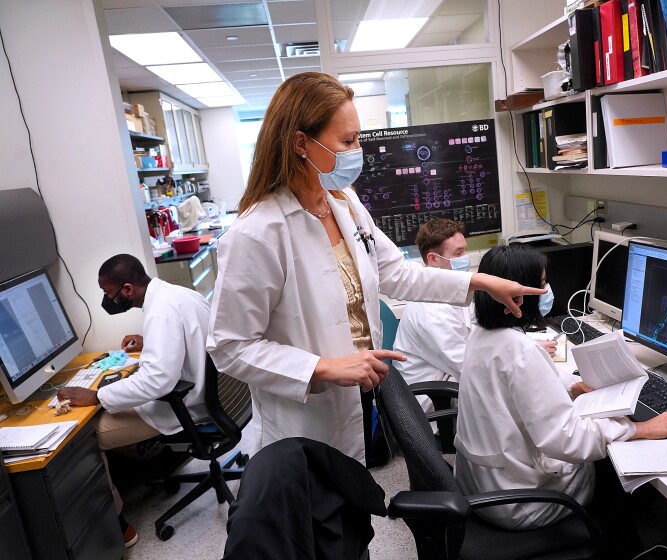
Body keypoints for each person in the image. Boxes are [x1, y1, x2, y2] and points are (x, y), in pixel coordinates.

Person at [206, 72, 543, 465]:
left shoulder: (344, 203)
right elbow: (229, 346)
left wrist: (478, 281)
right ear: (301, 143)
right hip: (304, 414)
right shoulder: (258, 233)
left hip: (362, 393)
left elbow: (398, 274)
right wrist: (323, 368)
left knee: (354, 505)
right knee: (320, 513)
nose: (357, 151)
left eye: (357, 139)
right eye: (347, 141)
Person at [453, 245, 667, 552]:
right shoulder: (520, 351)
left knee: (604, 443)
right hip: (519, 502)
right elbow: (565, 440)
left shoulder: (483, 333)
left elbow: (517, 387)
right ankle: (624, 547)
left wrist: (573, 387)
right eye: (541, 283)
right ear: (515, 295)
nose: (546, 290)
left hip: (483, 484)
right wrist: (640, 430)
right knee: (610, 465)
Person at [58, 254, 210, 548]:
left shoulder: (160, 312)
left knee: (89, 436)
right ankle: (155, 465)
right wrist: (149, 342)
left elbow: (157, 381)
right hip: (202, 394)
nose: (108, 299)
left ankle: (117, 524)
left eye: (108, 293)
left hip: (182, 405)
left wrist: (97, 396)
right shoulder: (175, 294)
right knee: (117, 401)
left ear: (127, 289)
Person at [394, 219, 558, 417]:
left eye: (465, 250)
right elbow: (468, 365)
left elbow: (478, 330)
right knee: (525, 395)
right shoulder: (429, 311)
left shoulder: (449, 292)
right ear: (433, 259)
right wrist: (526, 353)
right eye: (458, 253)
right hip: (435, 403)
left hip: (451, 378)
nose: (465, 258)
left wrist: (527, 345)